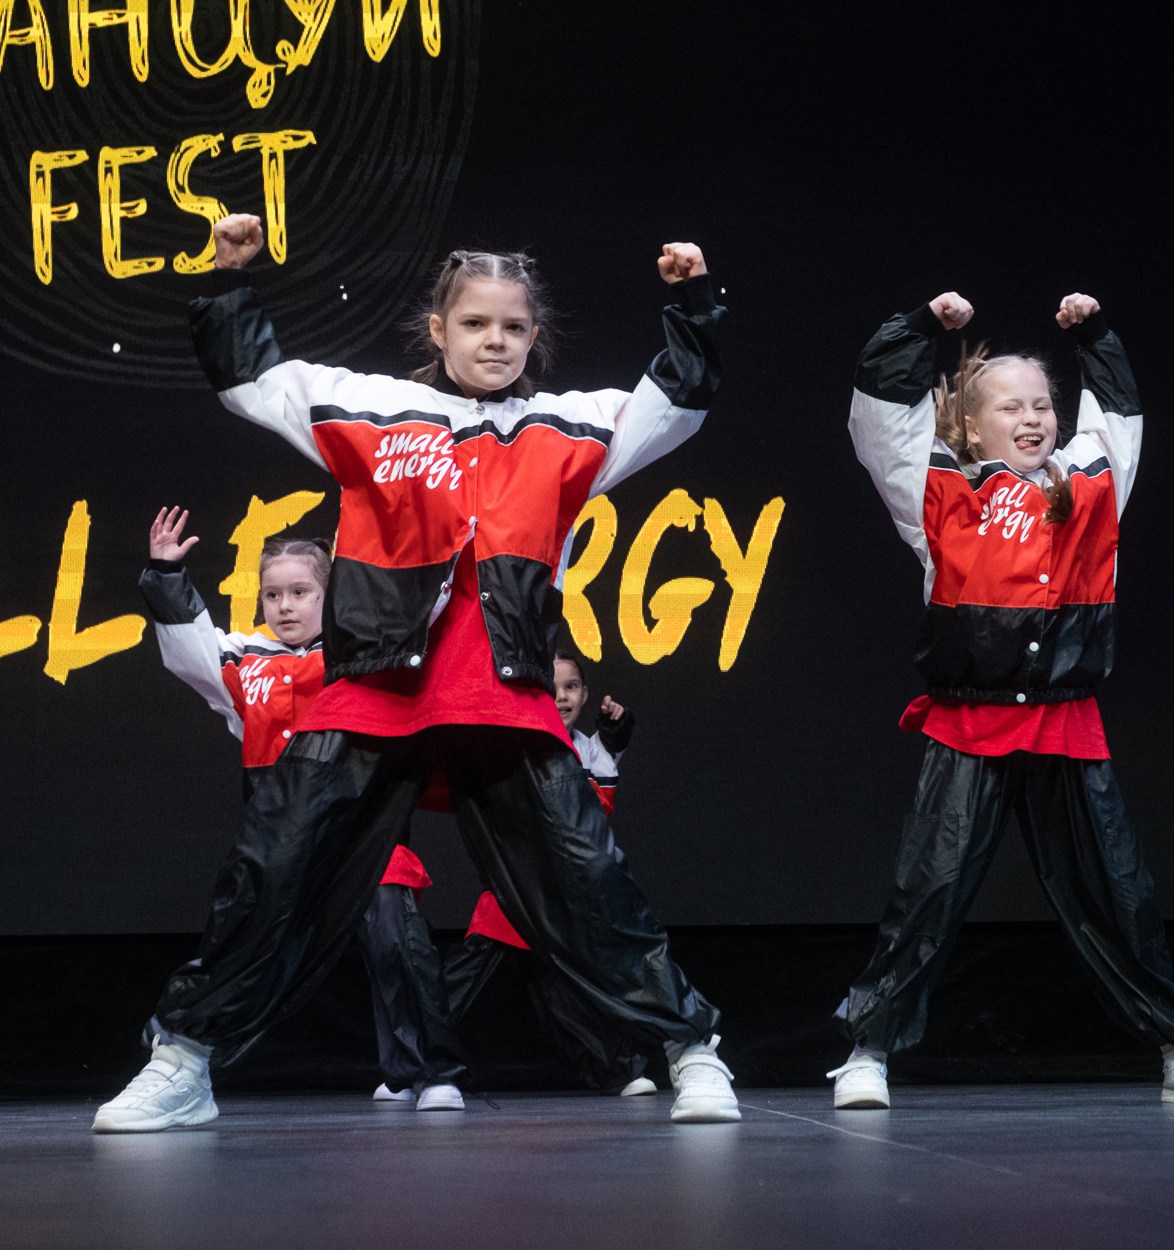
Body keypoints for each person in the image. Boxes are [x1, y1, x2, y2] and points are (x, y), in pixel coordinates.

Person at [93, 215, 737, 1132]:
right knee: (271, 875)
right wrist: (230, 278)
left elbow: (677, 397)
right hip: (370, 697)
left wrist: (691, 300)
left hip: (502, 701)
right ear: (438, 331)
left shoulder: (571, 429)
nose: (495, 342)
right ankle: (183, 1059)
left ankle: (691, 1052)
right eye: (475, 324)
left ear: (534, 338)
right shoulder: (371, 410)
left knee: (589, 888)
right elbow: (255, 382)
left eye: (513, 328)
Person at [831, 289, 1174, 1109]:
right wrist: (922, 328)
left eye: (1042, 405)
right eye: (1010, 407)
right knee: (929, 891)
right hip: (970, 720)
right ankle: (868, 1052)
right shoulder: (938, 495)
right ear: (967, 422)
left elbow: (1121, 411)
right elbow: (878, 412)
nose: (1032, 418)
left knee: (1118, 894)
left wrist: (1095, 336)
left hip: (1066, 721)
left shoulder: (1094, 485)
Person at [139, 511, 468, 1109]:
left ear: (330, 593)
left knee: (397, 942)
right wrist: (166, 574)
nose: (284, 605)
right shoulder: (243, 659)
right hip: (279, 844)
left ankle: (428, 1073)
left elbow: (427, 616)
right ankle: (182, 1066)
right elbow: (189, 646)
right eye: (272, 594)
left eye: (300, 592)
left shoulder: (358, 654)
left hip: (362, 830)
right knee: (242, 954)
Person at [441, 652, 659, 1096]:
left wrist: (618, 723)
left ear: (585, 693)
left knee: (564, 988)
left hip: (570, 894)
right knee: (465, 975)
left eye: (571, 687)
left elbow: (615, 740)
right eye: (551, 687)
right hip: (521, 887)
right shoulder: (521, 747)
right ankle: (411, 1064)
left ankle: (614, 1070)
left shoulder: (594, 750)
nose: (561, 697)